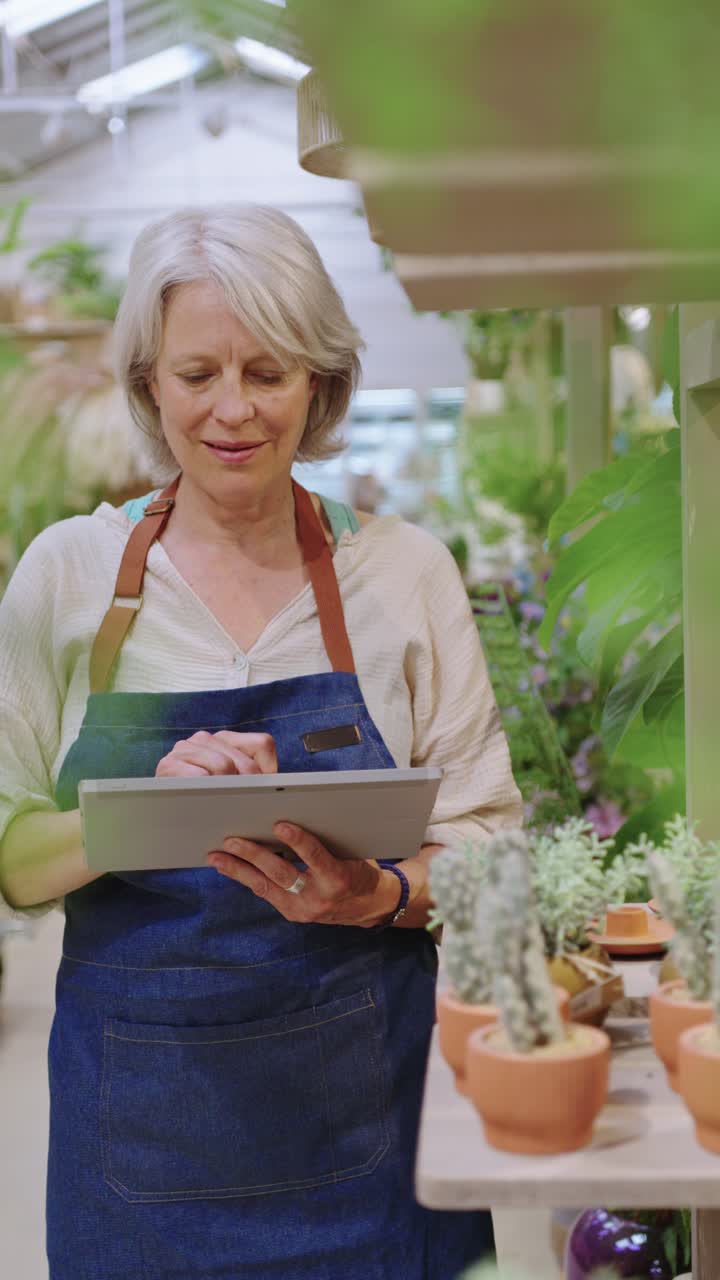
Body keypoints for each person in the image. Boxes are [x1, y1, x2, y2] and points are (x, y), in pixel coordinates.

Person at [0, 205, 522, 1280]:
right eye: (197, 373)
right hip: (136, 1153)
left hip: (368, 1146)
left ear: (320, 384)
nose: (233, 409)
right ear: (147, 383)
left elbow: (493, 853)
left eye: (268, 370)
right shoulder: (68, 574)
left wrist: (376, 893)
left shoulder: (402, 572)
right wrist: (133, 809)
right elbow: (13, 856)